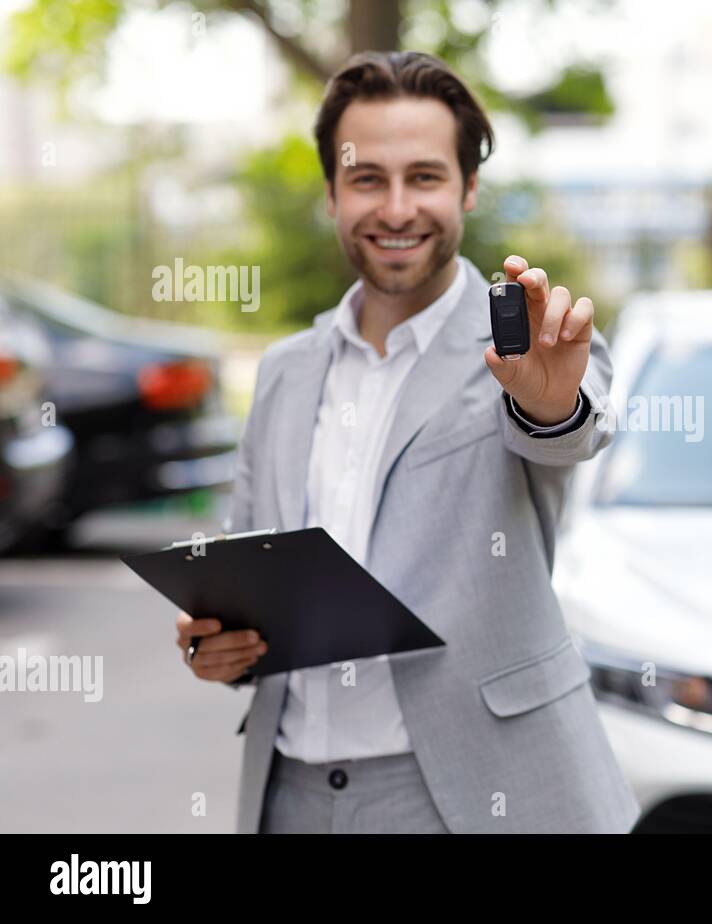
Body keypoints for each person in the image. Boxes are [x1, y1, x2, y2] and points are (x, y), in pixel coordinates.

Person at [173, 49, 639, 834]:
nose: (395, 209)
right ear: (331, 195)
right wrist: (219, 648)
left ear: (468, 188)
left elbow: (569, 426)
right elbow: (246, 576)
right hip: (290, 795)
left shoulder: (524, 352)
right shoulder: (285, 374)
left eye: (424, 177)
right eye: (366, 179)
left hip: (476, 794)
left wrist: (551, 406)